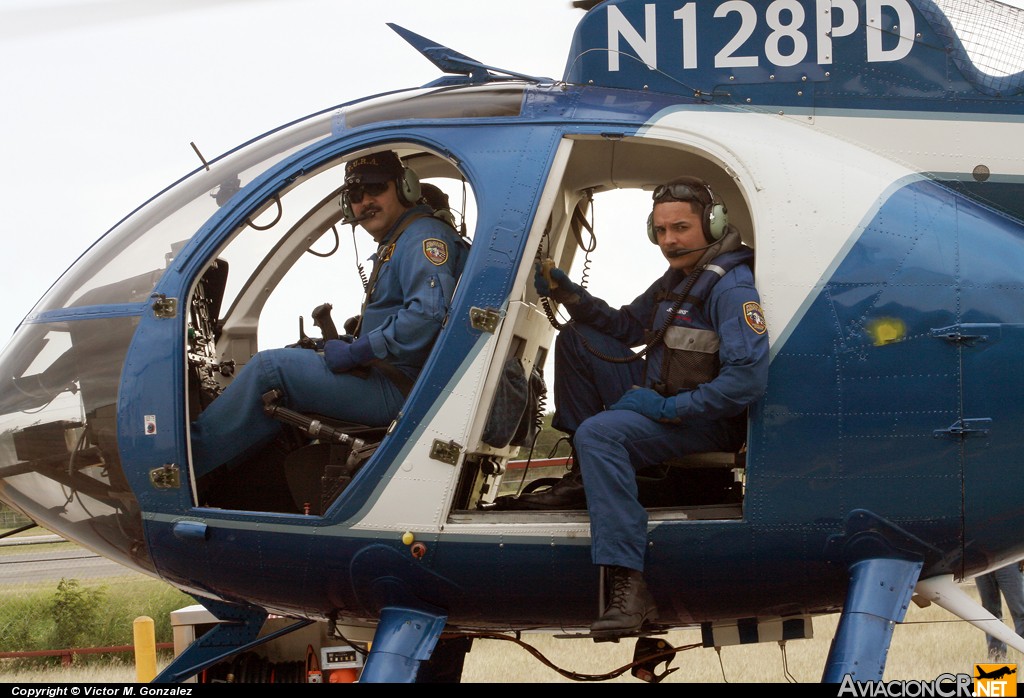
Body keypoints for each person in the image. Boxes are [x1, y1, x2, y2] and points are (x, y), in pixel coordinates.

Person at [497, 176, 770, 636]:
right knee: (578, 338)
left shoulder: (731, 288)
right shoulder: (680, 279)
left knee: (601, 433)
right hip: (663, 401)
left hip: (704, 420)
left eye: (680, 228)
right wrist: (573, 298)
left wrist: (665, 410)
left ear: (713, 222)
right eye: (661, 231)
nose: (669, 241)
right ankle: (589, 474)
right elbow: (624, 327)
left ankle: (630, 587)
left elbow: (746, 381)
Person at [191, 150, 468, 478]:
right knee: (295, 355)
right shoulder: (402, 240)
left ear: (404, 188)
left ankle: (178, 470)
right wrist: (349, 344)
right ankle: (231, 481)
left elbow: (426, 317)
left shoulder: (423, 237)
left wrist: (357, 351)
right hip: (401, 378)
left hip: (405, 389)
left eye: (376, 188)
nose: (365, 202)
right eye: (354, 195)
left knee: (270, 370)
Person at [976, 562, 1024, 661]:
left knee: (1020, 611)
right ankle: (996, 657)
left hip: (1008, 560)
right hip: (981, 562)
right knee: (990, 614)